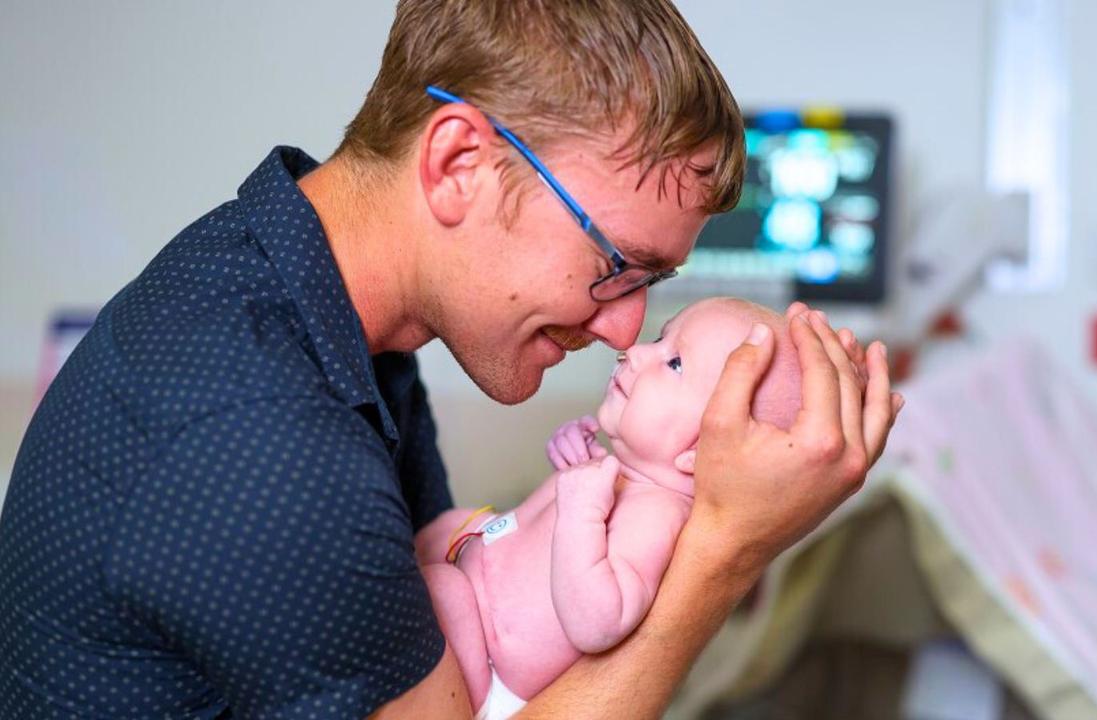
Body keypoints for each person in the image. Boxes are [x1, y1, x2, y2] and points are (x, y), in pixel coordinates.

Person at [0, 1, 901, 718]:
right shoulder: (262, 436)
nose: (628, 332)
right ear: (460, 161)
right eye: (616, 266)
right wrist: (730, 549)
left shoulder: (326, 298)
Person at [417, 298, 803, 718]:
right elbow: (541, 526)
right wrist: (571, 462)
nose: (636, 352)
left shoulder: (658, 515)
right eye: (659, 338)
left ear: (702, 451)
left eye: (674, 363)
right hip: (480, 601)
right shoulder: (625, 475)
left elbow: (599, 621)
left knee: (442, 590)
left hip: (494, 677)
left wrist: (582, 508)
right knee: (443, 530)